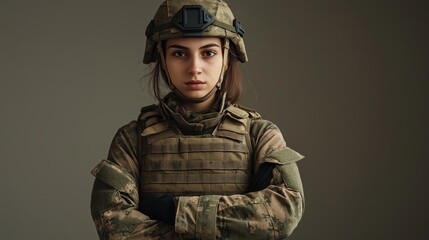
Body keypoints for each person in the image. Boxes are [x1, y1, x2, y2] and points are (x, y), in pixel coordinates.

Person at [90, 0, 305, 239]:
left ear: (226, 58)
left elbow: (285, 211)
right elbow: (113, 224)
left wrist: (175, 211)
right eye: (179, 53)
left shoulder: (260, 135)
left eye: (209, 53)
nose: (195, 68)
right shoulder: (132, 140)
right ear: (162, 59)